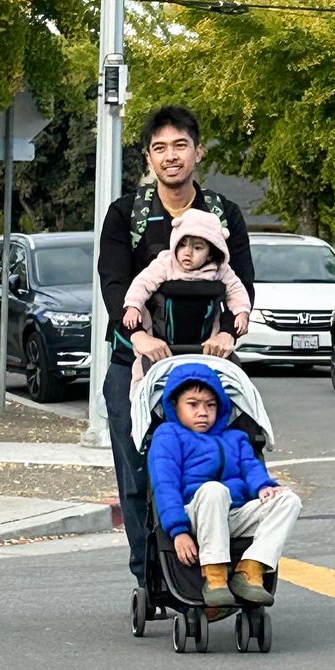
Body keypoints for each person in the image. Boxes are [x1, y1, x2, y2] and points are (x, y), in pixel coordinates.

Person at [97, 105, 255, 588]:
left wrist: (229, 331)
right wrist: (139, 337)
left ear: (198, 152)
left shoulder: (223, 215)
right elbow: (115, 284)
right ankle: (151, 576)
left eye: (180, 146)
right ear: (148, 157)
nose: (171, 157)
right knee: (139, 472)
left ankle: (216, 565)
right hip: (137, 363)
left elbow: (242, 281)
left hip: (208, 367)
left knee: (220, 462)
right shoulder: (128, 214)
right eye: (160, 148)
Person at [148, 362, 301, 607]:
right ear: (175, 405)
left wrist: (263, 486)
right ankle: (215, 576)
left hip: (232, 515)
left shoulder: (234, 437)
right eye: (193, 404)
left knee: (288, 500)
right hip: (195, 514)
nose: (203, 412)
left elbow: (251, 467)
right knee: (214, 490)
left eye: (210, 405)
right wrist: (178, 532)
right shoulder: (168, 435)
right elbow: (164, 486)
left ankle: (250, 569)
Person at [122, 207, 251, 397]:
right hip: (161, 337)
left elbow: (236, 290)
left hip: (206, 339)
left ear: (211, 252)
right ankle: (140, 409)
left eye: (197, 248)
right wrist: (132, 306)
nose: (187, 253)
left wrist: (241, 312)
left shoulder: (219, 269)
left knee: (220, 375)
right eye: (182, 245)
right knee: (143, 370)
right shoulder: (165, 263)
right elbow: (142, 284)